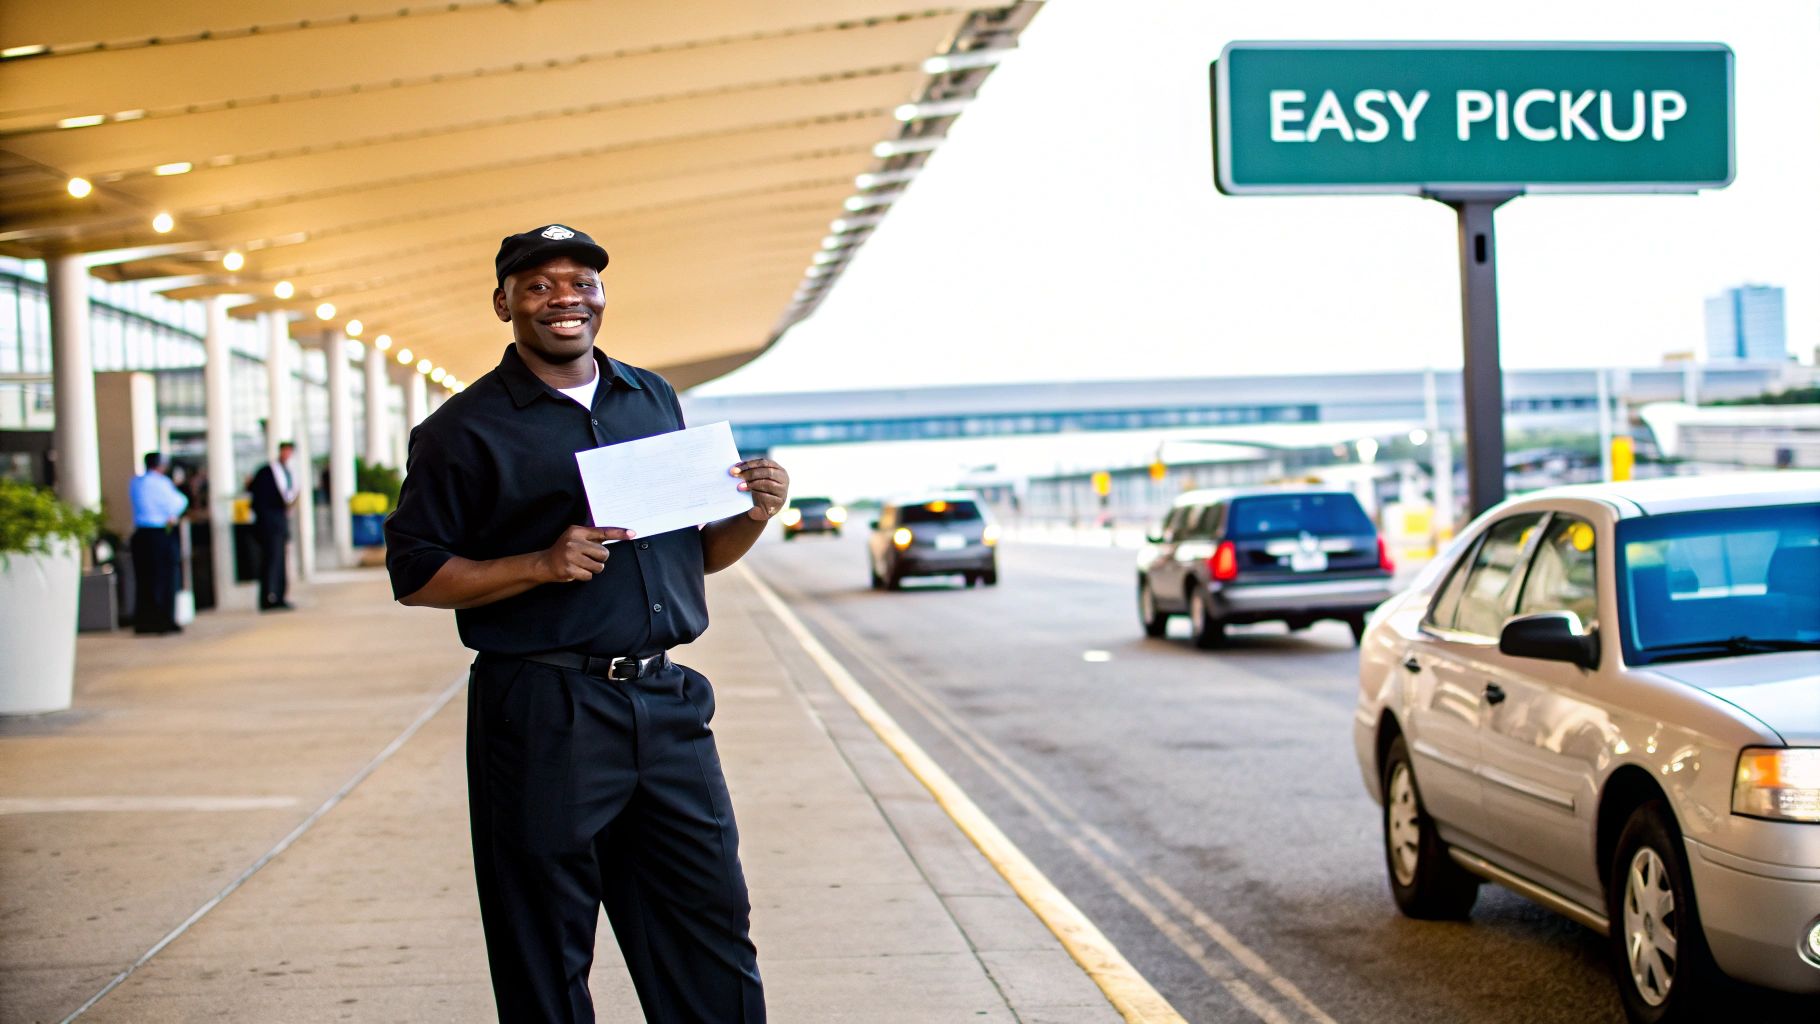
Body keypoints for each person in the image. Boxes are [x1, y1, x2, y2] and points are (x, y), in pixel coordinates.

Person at [384, 224, 787, 1024]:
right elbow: (415, 575)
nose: (563, 296)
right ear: (504, 303)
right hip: (544, 710)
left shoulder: (652, 398)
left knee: (709, 926)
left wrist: (757, 514)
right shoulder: (461, 431)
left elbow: (693, 559)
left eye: (580, 281)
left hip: (666, 704)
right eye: (538, 285)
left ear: (600, 297)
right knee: (545, 943)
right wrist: (539, 563)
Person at [129, 451, 188, 635]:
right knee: (165, 579)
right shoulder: (162, 483)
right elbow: (179, 502)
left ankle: (145, 621)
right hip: (159, 533)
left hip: (141, 534)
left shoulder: (135, 482)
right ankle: (163, 620)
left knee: (145, 580)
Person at [247, 442, 298, 611]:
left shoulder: (287, 472)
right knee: (270, 560)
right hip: (269, 524)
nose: (287, 454)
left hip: (279, 522)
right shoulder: (267, 472)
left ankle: (279, 595)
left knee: (279, 560)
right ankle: (269, 597)